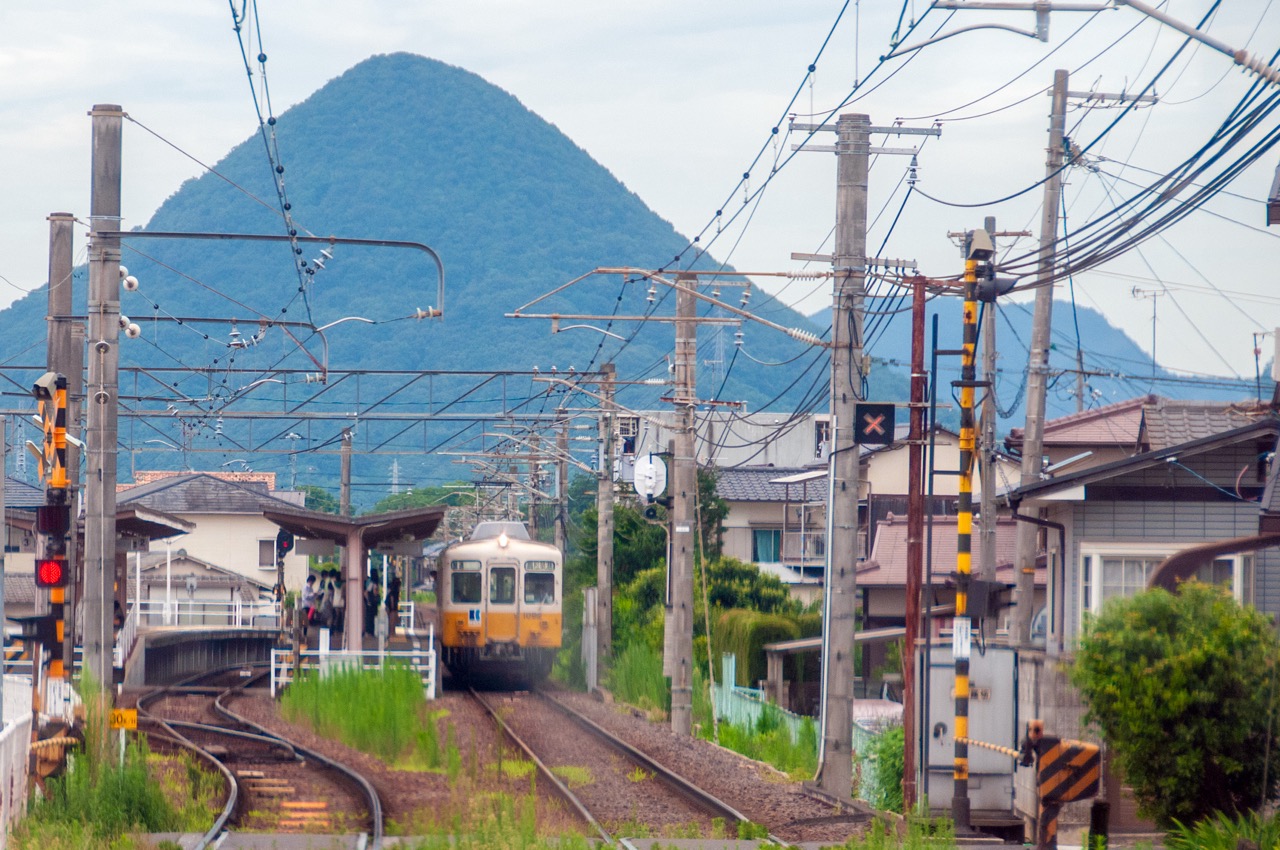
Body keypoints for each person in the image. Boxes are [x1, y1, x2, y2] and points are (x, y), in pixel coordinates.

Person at [364, 569, 381, 635]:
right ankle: (371, 631)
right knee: (373, 617)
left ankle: (369, 631)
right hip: (374, 602)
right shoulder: (376, 583)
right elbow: (375, 592)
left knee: (370, 617)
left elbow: (366, 592)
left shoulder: (370, 582)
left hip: (371, 602)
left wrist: (368, 600)